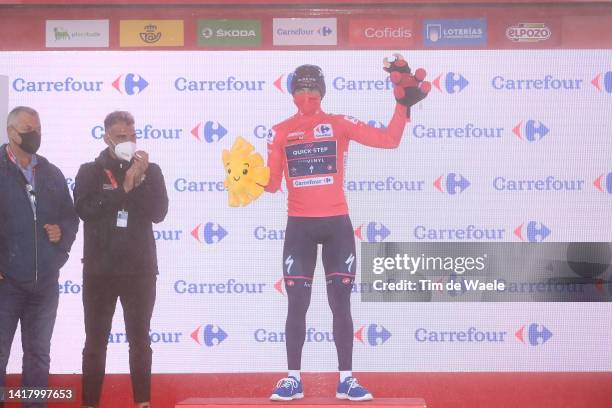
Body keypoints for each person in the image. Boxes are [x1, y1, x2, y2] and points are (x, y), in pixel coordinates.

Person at [266, 62, 428, 401]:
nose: (307, 95)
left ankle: (347, 379)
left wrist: (402, 107)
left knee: (341, 303)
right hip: (300, 227)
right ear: (291, 92)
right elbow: (270, 185)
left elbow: (389, 140)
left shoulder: (338, 123)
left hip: (337, 224)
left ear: (322, 91)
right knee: (297, 303)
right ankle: (292, 378)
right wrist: (240, 174)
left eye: (313, 88)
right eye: (301, 88)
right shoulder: (280, 131)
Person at [73, 111, 168, 408]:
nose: (128, 141)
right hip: (100, 272)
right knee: (95, 343)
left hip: (139, 271)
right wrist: (123, 186)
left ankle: (143, 402)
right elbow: (86, 210)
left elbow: (159, 213)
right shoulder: (90, 171)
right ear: (107, 139)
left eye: (132, 135)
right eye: (121, 137)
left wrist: (138, 180)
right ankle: (90, 403)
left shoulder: (150, 172)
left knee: (140, 341)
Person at [0, 106, 79, 408]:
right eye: (29, 129)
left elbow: (70, 219)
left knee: (38, 355)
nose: (36, 134)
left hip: (45, 283)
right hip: (6, 282)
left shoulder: (51, 172)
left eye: (39, 129)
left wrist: (60, 242)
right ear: (11, 132)